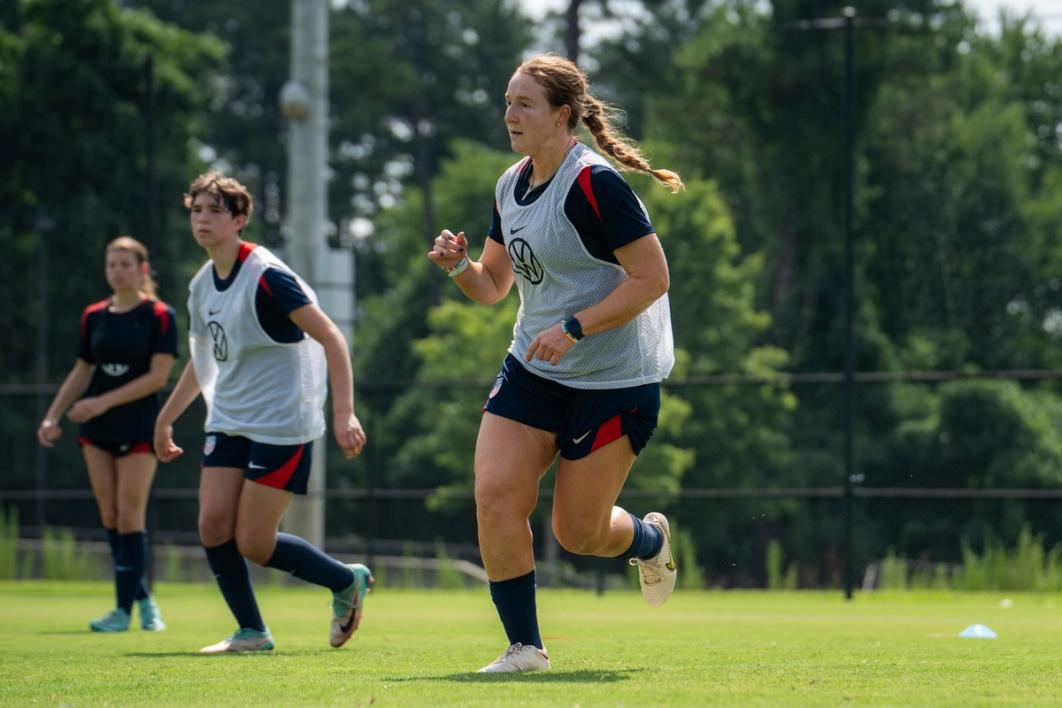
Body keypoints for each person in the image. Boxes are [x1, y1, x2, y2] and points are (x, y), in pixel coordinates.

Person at [427, 54, 682, 673]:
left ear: (562, 115)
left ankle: (649, 540)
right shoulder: (508, 184)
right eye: (508, 101)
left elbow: (653, 278)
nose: (510, 114)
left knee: (578, 533)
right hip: (534, 369)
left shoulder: (594, 183)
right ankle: (525, 648)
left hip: (616, 378)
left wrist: (573, 327)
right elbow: (493, 287)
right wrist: (460, 267)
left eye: (524, 104)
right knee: (494, 494)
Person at [153, 172, 373, 654]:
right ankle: (251, 631)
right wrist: (166, 416)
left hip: (283, 423)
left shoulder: (268, 278)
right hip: (229, 418)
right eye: (196, 210)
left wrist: (343, 414)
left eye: (214, 210)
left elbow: (331, 336)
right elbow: (205, 357)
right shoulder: (201, 285)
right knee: (212, 525)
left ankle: (344, 580)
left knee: (254, 541)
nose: (203, 219)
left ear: (239, 219)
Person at [37, 236, 176, 633]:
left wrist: (102, 402)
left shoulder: (160, 315)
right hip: (95, 427)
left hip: (139, 425)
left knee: (131, 513)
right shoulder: (93, 316)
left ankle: (122, 612)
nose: (117, 271)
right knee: (111, 514)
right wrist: (53, 416)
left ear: (142, 269)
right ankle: (144, 599)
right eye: (111, 265)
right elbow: (82, 370)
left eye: (125, 264)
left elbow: (158, 377)